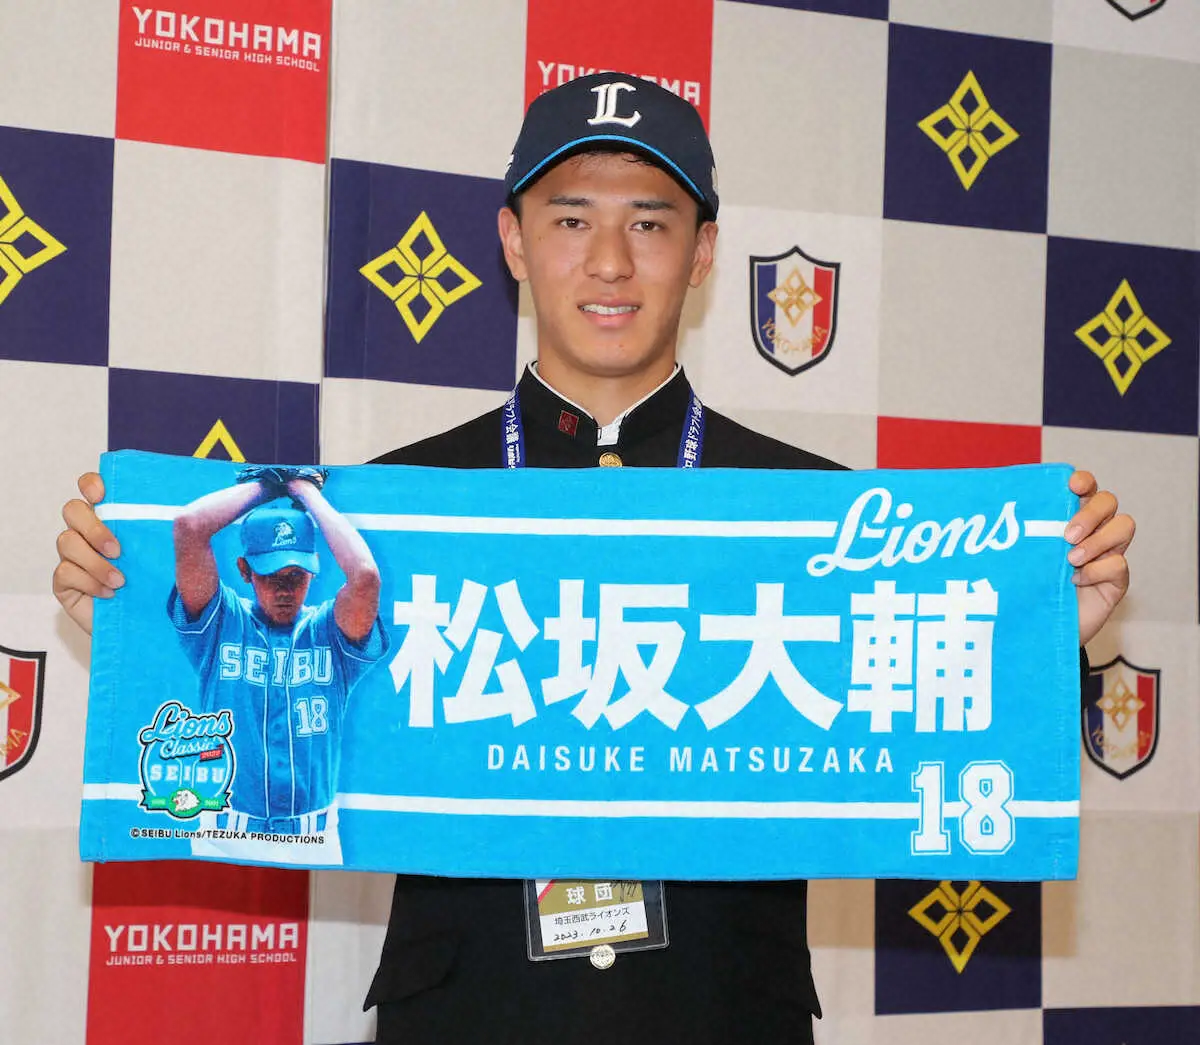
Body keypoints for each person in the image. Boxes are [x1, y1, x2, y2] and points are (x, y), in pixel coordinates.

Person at [54, 73, 1135, 1044]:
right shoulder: (392, 505)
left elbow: (937, 717)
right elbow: (265, 697)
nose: (610, 261)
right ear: (513, 241)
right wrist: (139, 606)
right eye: (571, 219)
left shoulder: (819, 512)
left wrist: (1051, 635)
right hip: (470, 1016)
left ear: (703, 253)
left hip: (723, 1013)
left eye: (650, 223)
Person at [168, 466, 388, 861]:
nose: (285, 590)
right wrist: (267, 486)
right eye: (271, 575)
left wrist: (305, 491)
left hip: (314, 840)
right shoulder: (222, 624)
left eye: (296, 575)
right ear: (245, 570)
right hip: (223, 834)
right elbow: (189, 525)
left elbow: (365, 576)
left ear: (313, 569)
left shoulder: (329, 632)